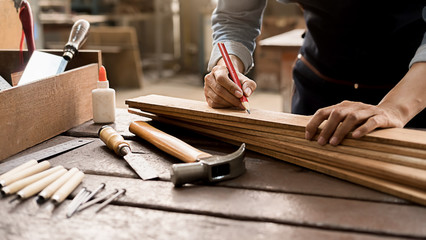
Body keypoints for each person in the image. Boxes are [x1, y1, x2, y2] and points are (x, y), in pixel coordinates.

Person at [204, 0, 426, 146]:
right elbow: (235, 17)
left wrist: (395, 108)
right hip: (317, 86)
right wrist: (226, 66)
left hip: (414, 92)